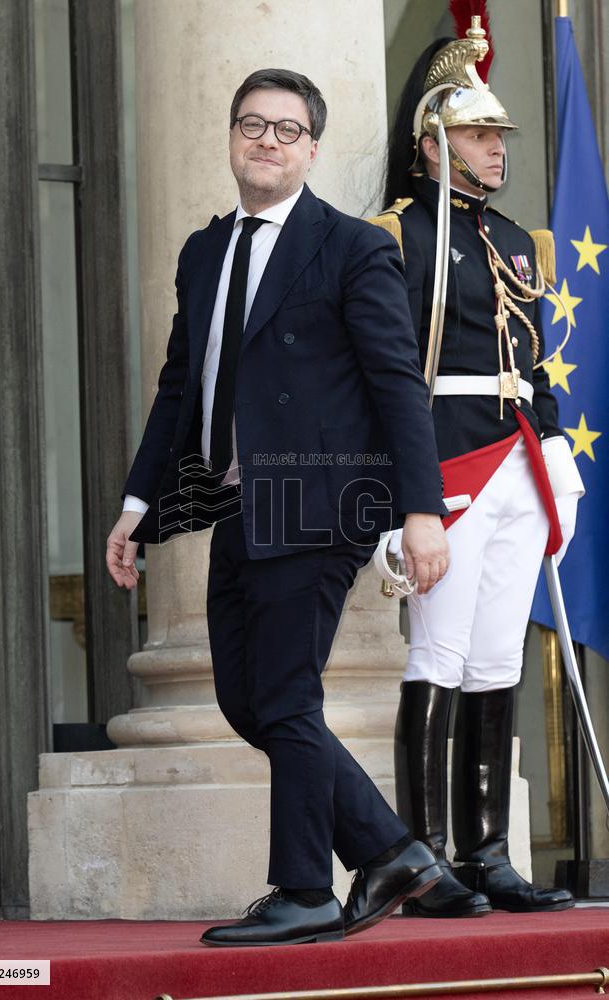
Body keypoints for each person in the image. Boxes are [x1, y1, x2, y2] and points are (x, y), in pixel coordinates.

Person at [106, 68, 451, 947]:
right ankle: (388, 851)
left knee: (287, 696)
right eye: (253, 125)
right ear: (231, 138)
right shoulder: (202, 251)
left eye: (287, 130)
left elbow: (397, 388)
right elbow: (179, 387)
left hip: (324, 496)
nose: (267, 140)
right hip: (238, 504)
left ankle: (306, 891)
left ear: (311, 148)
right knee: (246, 700)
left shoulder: (352, 247)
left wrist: (423, 511)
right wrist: (139, 502)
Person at [370, 23, 582, 917]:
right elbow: (386, 379)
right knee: (441, 653)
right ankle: (423, 862)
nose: (497, 148)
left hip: (519, 465)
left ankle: (488, 852)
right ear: (431, 145)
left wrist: (558, 448)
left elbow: (531, 361)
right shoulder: (392, 238)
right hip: (448, 462)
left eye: (500, 136)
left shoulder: (515, 242)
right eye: (478, 134)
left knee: (497, 658)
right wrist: (400, 500)